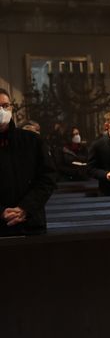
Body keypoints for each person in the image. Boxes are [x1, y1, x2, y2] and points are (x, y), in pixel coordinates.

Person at [0, 88, 56, 236]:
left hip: (31, 223)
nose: (1, 111)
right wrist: (1, 212)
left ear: (11, 108)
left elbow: (48, 178)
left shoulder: (32, 140)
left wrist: (25, 208)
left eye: (5, 106)